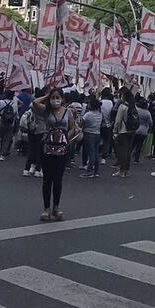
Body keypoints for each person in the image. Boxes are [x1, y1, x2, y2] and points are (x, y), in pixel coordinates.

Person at [32, 88, 79, 222]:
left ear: (63, 99)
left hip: (62, 150)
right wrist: (47, 96)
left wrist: (65, 138)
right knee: (47, 180)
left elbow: (72, 128)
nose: (55, 100)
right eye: (53, 97)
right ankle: (46, 208)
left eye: (58, 97)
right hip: (47, 149)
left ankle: (56, 207)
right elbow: (35, 103)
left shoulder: (68, 112)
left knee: (58, 179)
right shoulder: (47, 111)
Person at [111, 88, 137, 177]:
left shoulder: (122, 106)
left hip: (123, 131)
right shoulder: (133, 105)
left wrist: (115, 131)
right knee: (128, 151)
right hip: (132, 131)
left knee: (122, 151)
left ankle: (121, 170)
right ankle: (126, 170)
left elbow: (118, 121)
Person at [79, 97, 103, 178]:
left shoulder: (88, 114)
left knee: (91, 154)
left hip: (89, 134)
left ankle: (89, 171)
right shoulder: (100, 114)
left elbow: (81, 124)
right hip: (97, 134)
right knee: (96, 153)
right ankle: (96, 171)